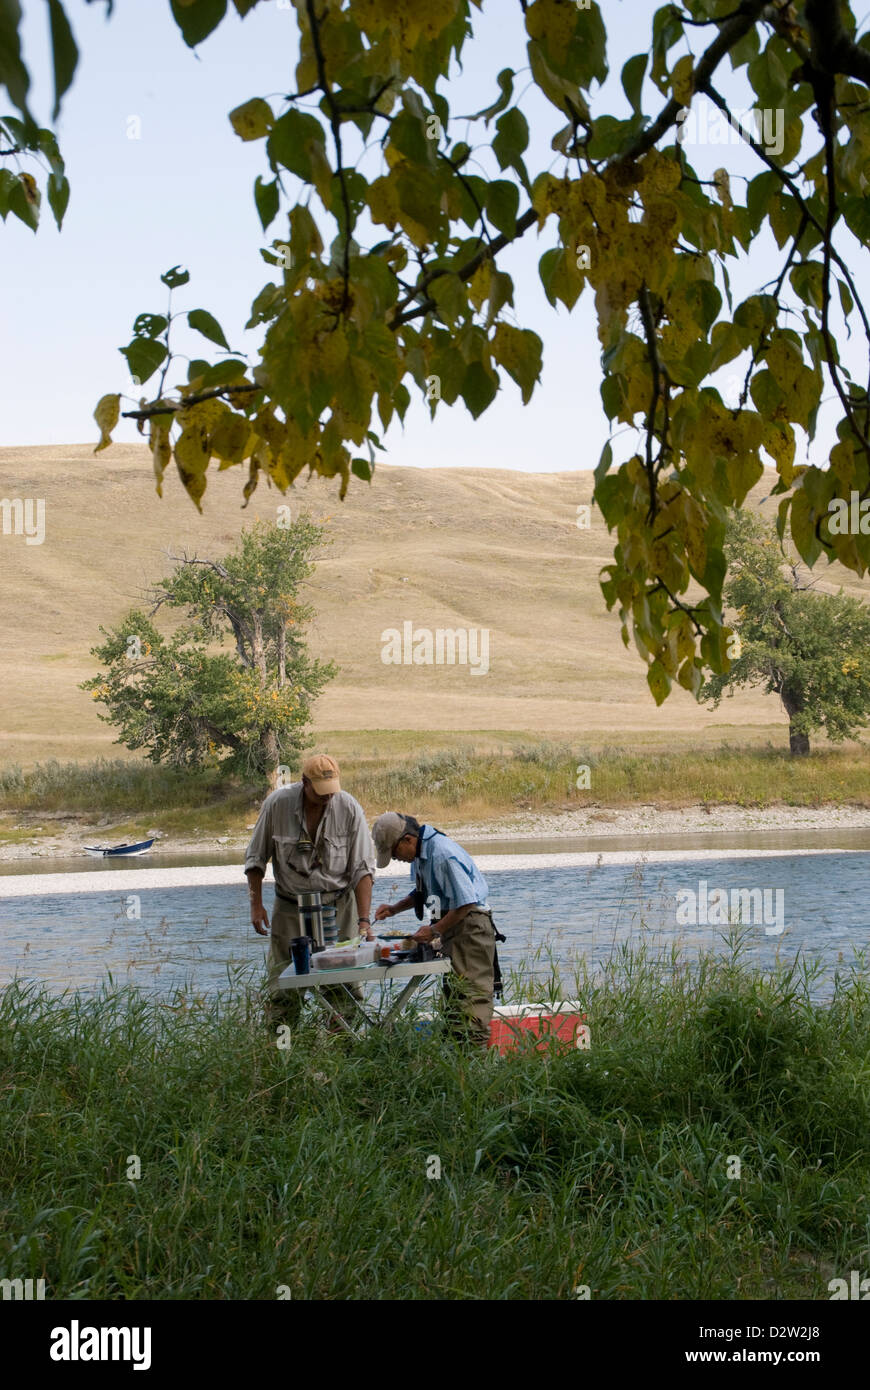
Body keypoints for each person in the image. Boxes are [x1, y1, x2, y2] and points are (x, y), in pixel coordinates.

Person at [245, 754, 375, 1027]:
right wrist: (256, 906)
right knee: (283, 988)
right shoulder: (277, 804)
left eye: (332, 791)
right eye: (321, 793)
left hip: (339, 907)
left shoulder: (349, 807)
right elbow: (255, 859)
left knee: (345, 988)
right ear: (304, 783)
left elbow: (364, 869)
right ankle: (281, 1055)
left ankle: (343, 1054)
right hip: (290, 908)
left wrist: (364, 921)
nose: (328, 797)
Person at [371, 812, 501, 1048]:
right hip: (453, 926)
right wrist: (394, 908)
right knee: (454, 998)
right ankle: (459, 1065)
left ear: (407, 840)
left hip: (470, 927)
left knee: (471, 1000)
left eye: (394, 853)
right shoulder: (420, 853)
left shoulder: (442, 853)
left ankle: (477, 1066)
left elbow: (466, 902)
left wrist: (434, 930)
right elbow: (422, 892)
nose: (396, 859)